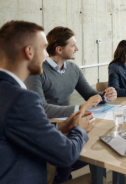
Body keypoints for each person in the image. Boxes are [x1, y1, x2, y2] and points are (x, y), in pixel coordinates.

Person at [0, 20, 94, 183]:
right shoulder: (22, 99)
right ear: (29, 52)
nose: (46, 54)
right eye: (44, 48)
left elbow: (14, 128)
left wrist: (59, 127)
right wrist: (79, 129)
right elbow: (66, 155)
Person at [25, 26, 117, 119]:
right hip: (46, 124)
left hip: (67, 120)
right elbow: (41, 108)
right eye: (73, 46)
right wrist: (80, 108)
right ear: (59, 50)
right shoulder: (35, 72)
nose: (77, 49)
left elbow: (89, 94)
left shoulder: (74, 69)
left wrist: (106, 96)